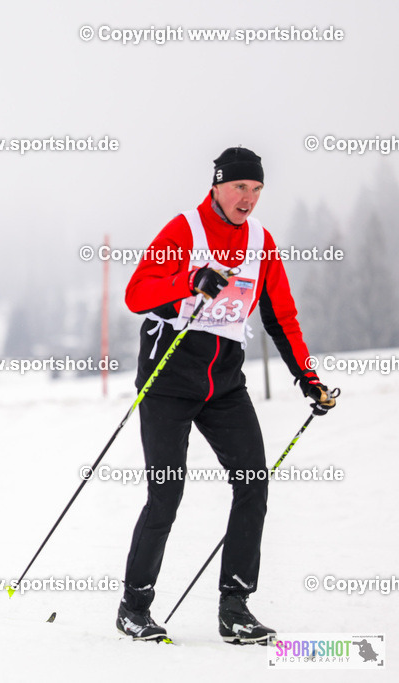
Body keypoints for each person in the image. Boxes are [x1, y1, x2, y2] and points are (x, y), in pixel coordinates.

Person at [117, 147, 338, 644]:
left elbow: (281, 317)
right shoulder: (184, 230)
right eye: (241, 187)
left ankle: (235, 607)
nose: (249, 199)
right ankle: (134, 606)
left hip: (224, 384)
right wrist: (187, 282)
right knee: (167, 492)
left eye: (257, 190)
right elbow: (136, 294)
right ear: (217, 185)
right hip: (169, 379)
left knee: (253, 481)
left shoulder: (261, 242)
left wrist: (309, 379)